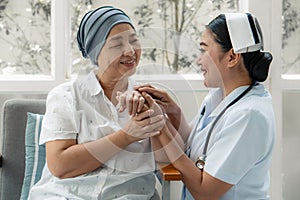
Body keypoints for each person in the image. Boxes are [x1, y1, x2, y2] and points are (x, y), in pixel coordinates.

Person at [118, 12, 275, 199]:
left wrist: (159, 126)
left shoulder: (249, 115)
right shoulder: (219, 97)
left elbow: (205, 191)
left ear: (232, 57)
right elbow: (189, 147)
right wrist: (172, 113)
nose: (198, 60)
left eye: (204, 50)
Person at [28, 6, 165, 200]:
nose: (130, 50)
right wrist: (126, 136)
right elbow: (60, 166)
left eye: (133, 40)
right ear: (95, 52)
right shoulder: (66, 96)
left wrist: (165, 115)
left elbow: (168, 159)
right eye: (117, 44)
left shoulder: (150, 98)